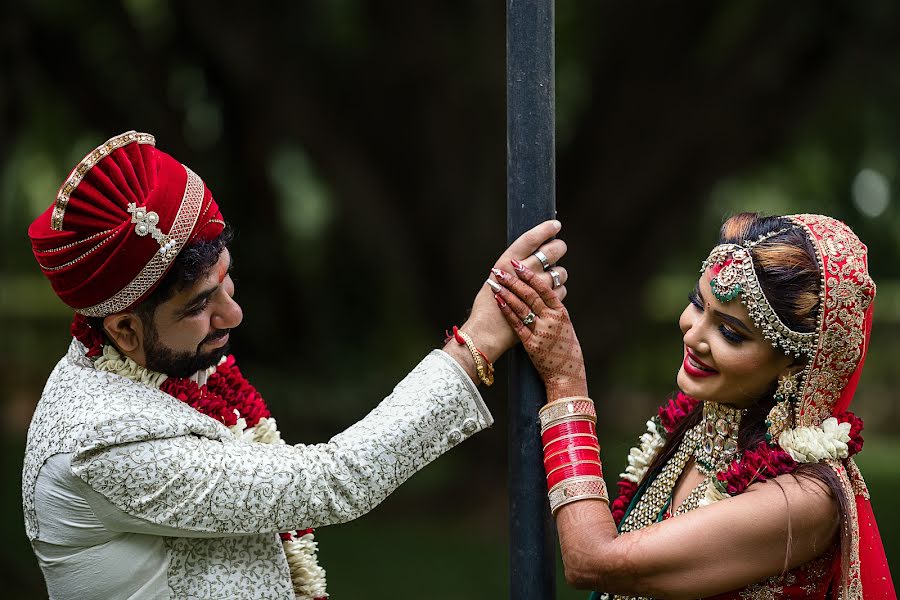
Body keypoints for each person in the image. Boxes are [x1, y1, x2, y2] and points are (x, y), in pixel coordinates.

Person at [22, 130, 569, 600]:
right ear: (123, 329)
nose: (232, 312)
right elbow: (332, 481)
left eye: (225, 279)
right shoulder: (101, 442)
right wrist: (475, 342)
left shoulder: (161, 371)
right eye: (199, 306)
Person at [491, 212, 896, 599]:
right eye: (698, 303)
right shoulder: (694, 424)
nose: (693, 334)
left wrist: (565, 383)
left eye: (730, 332)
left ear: (793, 362)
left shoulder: (804, 498)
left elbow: (591, 561)